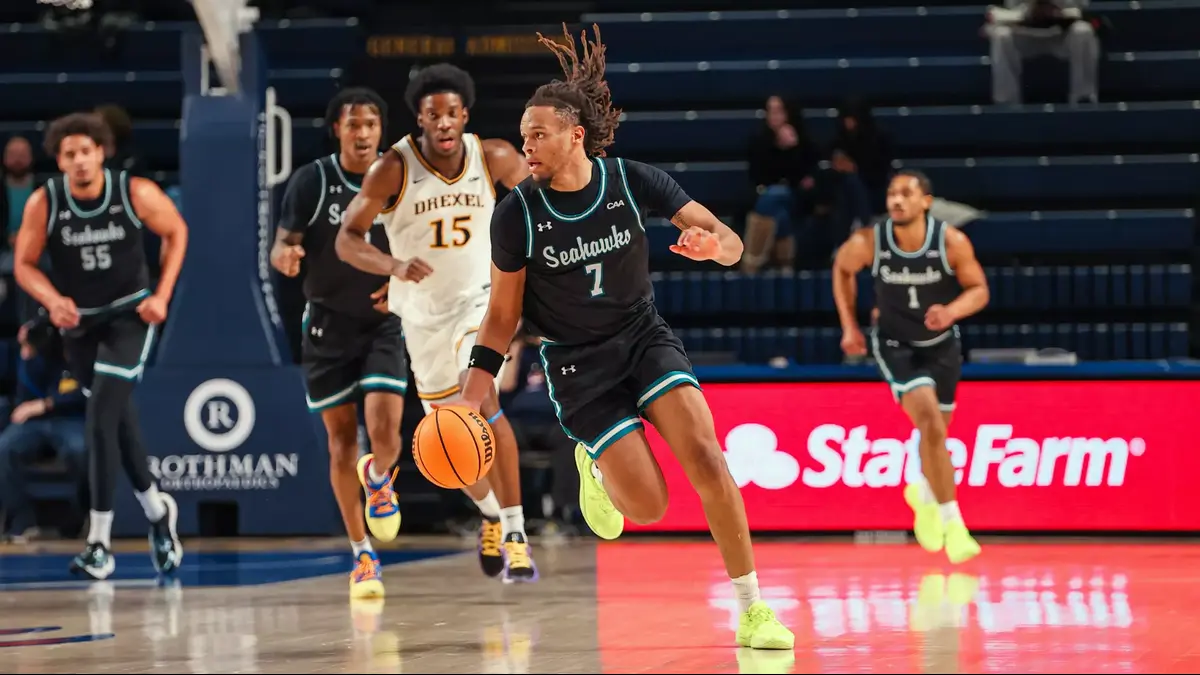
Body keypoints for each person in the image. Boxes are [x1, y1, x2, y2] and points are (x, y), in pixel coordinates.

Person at [444, 24, 793, 649]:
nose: (528, 145)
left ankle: (754, 610)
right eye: (523, 136)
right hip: (579, 367)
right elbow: (501, 317)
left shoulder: (632, 181)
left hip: (642, 337)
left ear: (575, 134)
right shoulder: (516, 212)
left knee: (708, 459)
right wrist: (469, 401)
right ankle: (595, 463)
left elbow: (732, 241)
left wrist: (716, 248)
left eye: (539, 133)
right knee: (651, 508)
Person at [336, 64, 536, 583]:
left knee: (485, 402)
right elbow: (348, 239)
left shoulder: (493, 156)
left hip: (480, 308)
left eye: (452, 113)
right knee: (447, 438)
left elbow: (543, 210)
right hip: (422, 319)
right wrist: (395, 266)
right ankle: (490, 514)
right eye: (433, 114)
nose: (443, 122)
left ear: (464, 115)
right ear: (419, 118)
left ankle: (515, 530)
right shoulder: (392, 168)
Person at [13, 112, 188, 580]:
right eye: (69, 154)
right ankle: (158, 512)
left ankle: (98, 543)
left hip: (129, 318)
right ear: (60, 160)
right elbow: (24, 264)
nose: (79, 161)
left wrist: (162, 296)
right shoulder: (44, 202)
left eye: (86, 151)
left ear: (100, 153)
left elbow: (176, 231)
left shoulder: (133, 192)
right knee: (119, 421)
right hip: (80, 326)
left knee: (99, 419)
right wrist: (52, 300)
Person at [271, 88, 408, 599]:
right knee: (341, 442)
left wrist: (403, 280)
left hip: (383, 322)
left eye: (372, 123)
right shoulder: (312, 180)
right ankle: (362, 554)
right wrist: (284, 257)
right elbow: (284, 244)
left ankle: (378, 477)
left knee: (386, 434)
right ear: (338, 130)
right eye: (354, 124)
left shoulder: (398, 177)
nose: (364, 133)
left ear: (381, 129)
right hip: (327, 325)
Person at [832, 170, 988, 565]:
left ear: (926, 202)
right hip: (895, 343)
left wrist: (950, 311)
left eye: (906, 193)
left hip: (941, 346)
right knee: (931, 424)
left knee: (935, 435)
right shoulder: (872, 241)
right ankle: (955, 524)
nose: (896, 200)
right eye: (891, 194)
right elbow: (842, 268)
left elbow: (979, 289)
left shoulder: (951, 241)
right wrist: (850, 326)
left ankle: (921, 488)